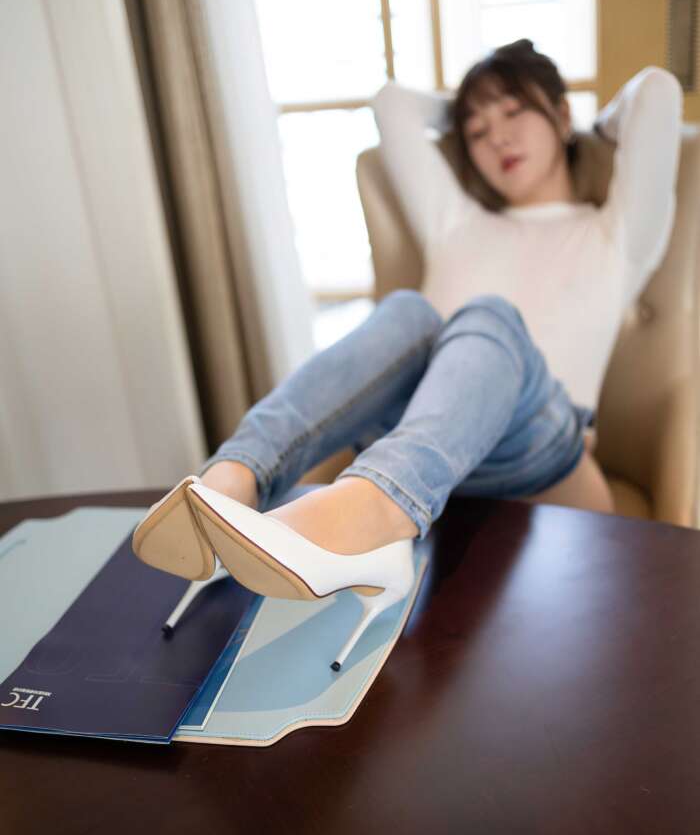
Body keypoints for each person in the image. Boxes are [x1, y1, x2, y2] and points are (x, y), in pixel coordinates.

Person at [132, 38, 683, 670]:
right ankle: (235, 479)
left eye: (515, 111)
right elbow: (391, 103)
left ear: (561, 115)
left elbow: (658, 92)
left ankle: (371, 508)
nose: (497, 138)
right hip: (422, 446)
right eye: (476, 130)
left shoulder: (616, 234)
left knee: (488, 314)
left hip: (540, 459)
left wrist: (587, 122)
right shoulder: (457, 222)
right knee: (407, 314)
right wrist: (483, 105)